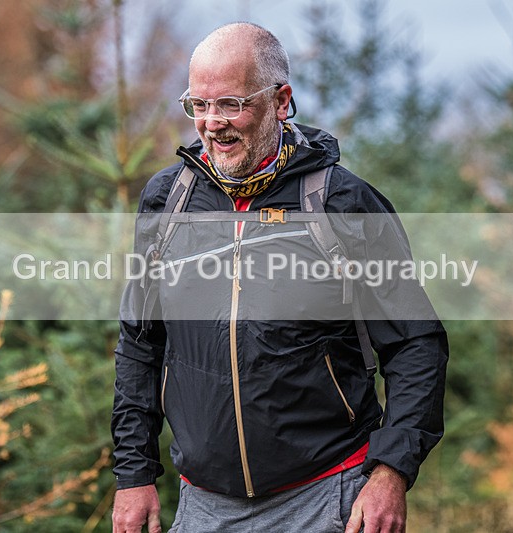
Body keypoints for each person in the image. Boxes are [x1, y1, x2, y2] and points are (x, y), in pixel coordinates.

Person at [111, 22, 448, 533]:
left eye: (230, 104)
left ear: (281, 100)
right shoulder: (167, 201)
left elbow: (415, 344)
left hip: (326, 497)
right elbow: (140, 343)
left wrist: (391, 470)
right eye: (197, 106)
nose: (211, 124)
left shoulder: (342, 203)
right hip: (203, 506)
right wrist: (133, 475)